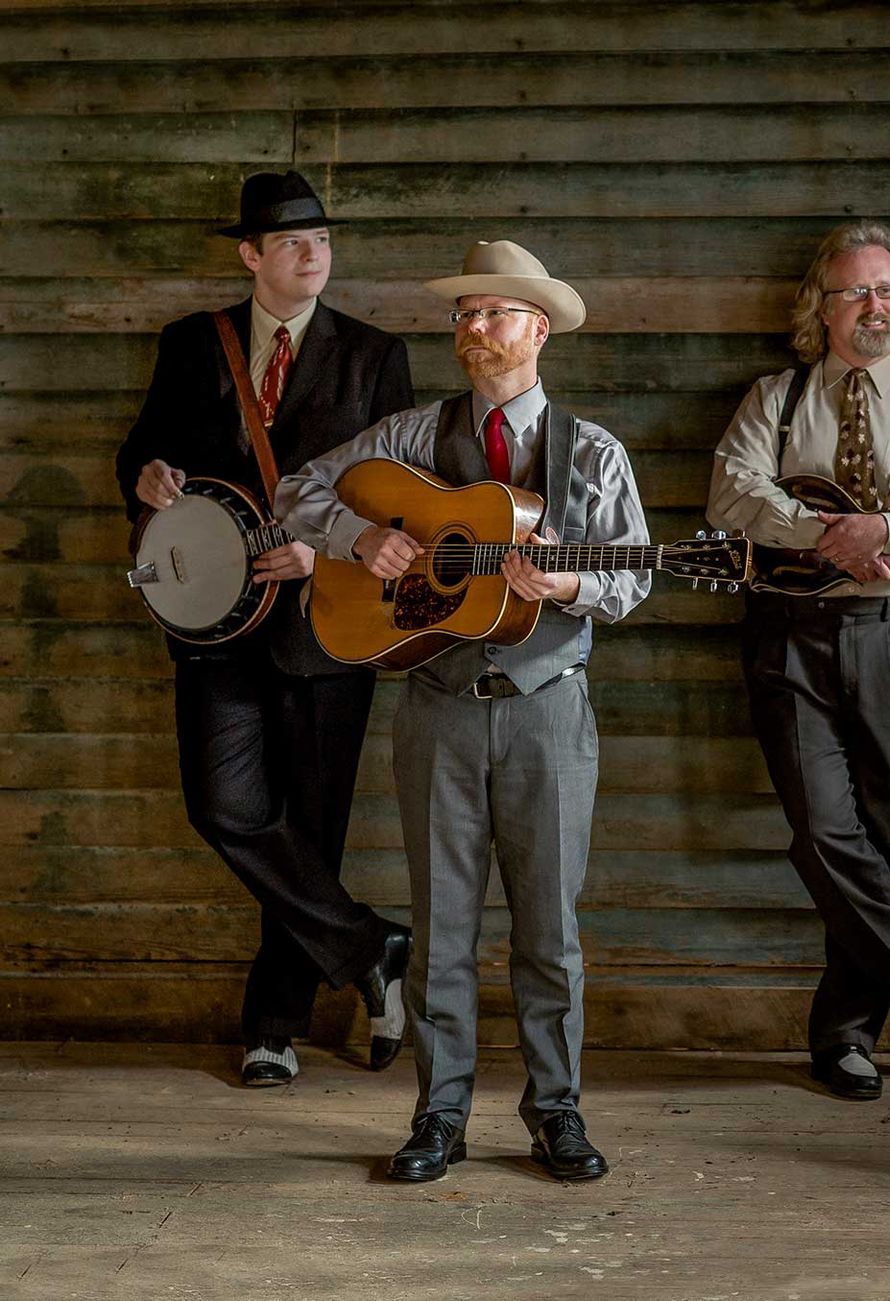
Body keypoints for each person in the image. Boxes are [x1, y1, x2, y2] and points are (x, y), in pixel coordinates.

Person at [277, 240, 649, 1182]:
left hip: (547, 711)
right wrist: (363, 536)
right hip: (438, 706)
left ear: (537, 329)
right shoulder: (410, 437)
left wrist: (563, 578)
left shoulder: (592, 452)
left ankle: (555, 1110)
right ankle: (437, 1115)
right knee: (443, 926)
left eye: (491, 313)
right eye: (464, 315)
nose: (472, 329)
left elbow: (633, 574)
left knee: (549, 931)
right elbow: (297, 488)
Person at [114, 169, 414, 1087]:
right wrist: (147, 479)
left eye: (320, 239)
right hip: (215, 626)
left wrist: (323, 555)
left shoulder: (374, 353)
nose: (311, 254)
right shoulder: (189, 344)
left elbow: (395, 498)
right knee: (224, 806)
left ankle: (274, 1026)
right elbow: (141, 450)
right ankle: (370, 946)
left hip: (329, 623)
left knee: (312, 828)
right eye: (290, 242)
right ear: (251, 255)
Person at [707, 221, 890, 1101]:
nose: (877, 306)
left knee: (889, 833)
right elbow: (731, 494)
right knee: (824, 830)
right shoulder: (775, 399)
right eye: (857, 292)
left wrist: (888, 530)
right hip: (791, 631)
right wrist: (827, 538)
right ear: (820, 308)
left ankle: (846, 1036)